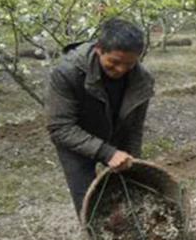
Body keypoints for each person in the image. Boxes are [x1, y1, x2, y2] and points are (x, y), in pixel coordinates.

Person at [46, 18, 155, 217]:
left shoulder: (142, 80)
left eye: (129, 64)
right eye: (113, 63)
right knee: (88, 203)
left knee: (130, 191)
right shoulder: (67, 72)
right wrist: (106, 153)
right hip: (76, 139)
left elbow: (134, 127)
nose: (121, 69)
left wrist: (133, 162)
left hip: (115, 132)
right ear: (99, 49)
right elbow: (60, 127)